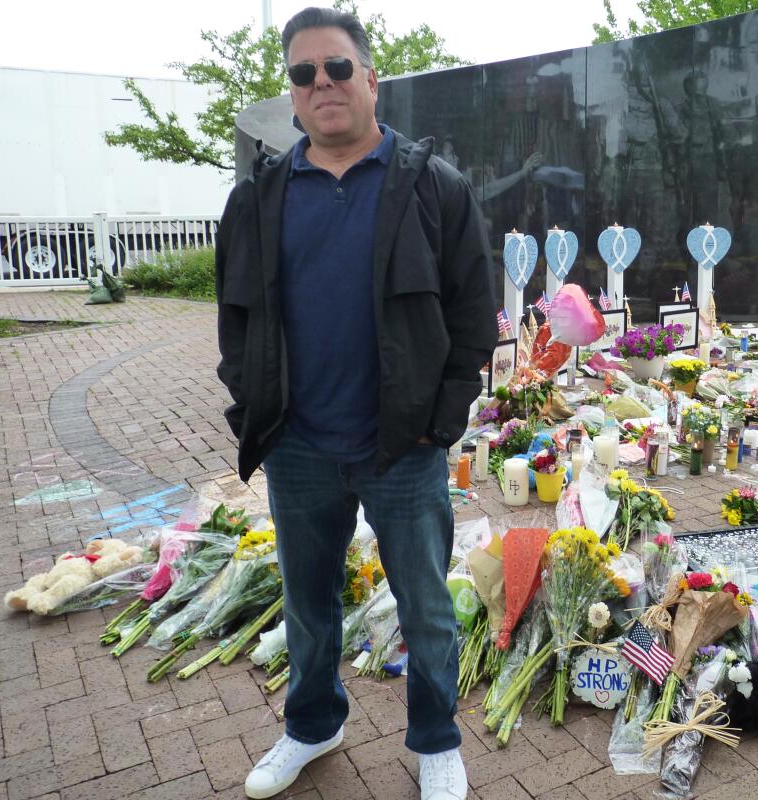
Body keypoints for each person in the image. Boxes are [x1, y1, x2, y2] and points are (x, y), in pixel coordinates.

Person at [213, 8, 495, 800]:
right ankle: (312, 725)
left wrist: (441, 423)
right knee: (307, 607)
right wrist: (253, 408)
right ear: (293, 96)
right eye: (304, 75)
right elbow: (236, 320)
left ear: (372, 79)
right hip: (298, 446)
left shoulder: (432, 187)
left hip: (402, 445)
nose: (322, 85)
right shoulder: (260, 198)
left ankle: (436, 740)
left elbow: (475, 317)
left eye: (337, 68)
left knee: (427, 608)